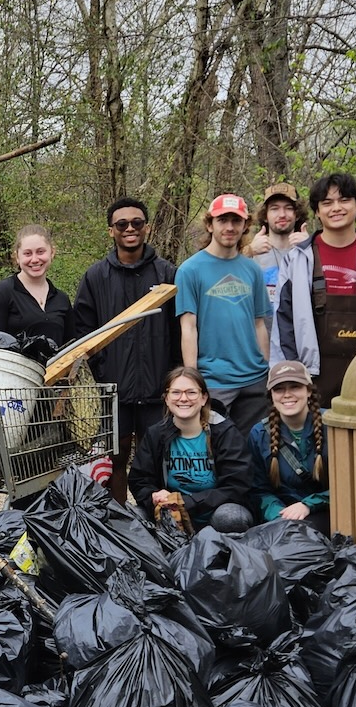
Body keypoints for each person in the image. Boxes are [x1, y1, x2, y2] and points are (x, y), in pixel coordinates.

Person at [70, 197, 178, 503]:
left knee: (156, 462)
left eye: (137, 223)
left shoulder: (167, 274)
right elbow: (84, 334)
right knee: (114, 461)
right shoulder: (95, 277)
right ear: (111, 231)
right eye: (122, 224)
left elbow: (179, 329)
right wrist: (103, 371)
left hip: (158, 389)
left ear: (148, 228)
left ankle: (155, 524)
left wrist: (173, 377)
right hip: (113, 391)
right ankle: (119, 525)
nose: (130, 229)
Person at [274, 172, 356, 408]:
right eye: (327, 203)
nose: (336, 208)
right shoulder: (297, 259)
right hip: (313, 375)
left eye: (344, 200)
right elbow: (283, 321)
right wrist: (291, 373)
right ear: (317, 212)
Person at [174, 192, 273, 435]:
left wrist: (267, 369)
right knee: (216, 450)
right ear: (210, 224)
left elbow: (260, 323)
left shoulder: (252, 269)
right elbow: (188, 328)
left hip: (254, 379)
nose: (229, 227)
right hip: (214, 380)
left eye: (236, 221)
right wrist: (192, 380)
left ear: (245, 225)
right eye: (222, 220)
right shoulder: (190, 270)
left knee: (254, 450)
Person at [124, 366, 258, 535]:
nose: (183, 398)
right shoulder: (156, 434)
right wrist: (154, 496)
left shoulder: (225, 432)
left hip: (214, 515)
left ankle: (225, 558)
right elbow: (139, 479)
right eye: (176, 392)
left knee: (231, 517)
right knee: (132, 515)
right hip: (171, 515)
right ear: (166, 398)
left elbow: (237, 486)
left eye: (191, 392)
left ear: (203, 398)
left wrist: (188, 502)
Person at [247, 360, 331, 533]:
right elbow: (258, 490)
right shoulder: (259, 434)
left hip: (329, 512)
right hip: (282, 517)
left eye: (295, 387)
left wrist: (309, 504)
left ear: (308, 391)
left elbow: (350, 486)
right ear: (271, 395)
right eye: (279, 389)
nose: (287, 394)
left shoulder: (332, 426)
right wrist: (277, 515)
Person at [0, 224, 71, 349]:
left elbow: (71, 348)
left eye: (40, 252)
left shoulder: (62, 300)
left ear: (52, 252)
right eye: (27, 253)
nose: (35, 259)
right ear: (17, 257)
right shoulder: (1, 294)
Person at [246, 184, 309, 295]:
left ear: (297, 214)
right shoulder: (253, 251)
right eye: (274, 209)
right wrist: (249, 251)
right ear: (265, 216)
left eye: (288, 208)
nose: (282, 215)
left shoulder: (308, 249)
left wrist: (311, 249)